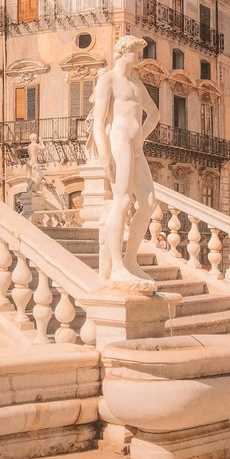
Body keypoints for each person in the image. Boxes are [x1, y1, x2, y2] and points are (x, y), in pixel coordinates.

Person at [86, 35, 159, 293]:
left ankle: (130, 260)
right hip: (118, 141)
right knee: (123, 201)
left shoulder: (136, 84)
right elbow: (98, 120)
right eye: (136, 53)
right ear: (124, 51)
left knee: (148, 203)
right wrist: (104, 152)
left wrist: (142, 135)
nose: (139, 58)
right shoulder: (108, 80)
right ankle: (116, 266)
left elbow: (155, 114)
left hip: (135, 145)